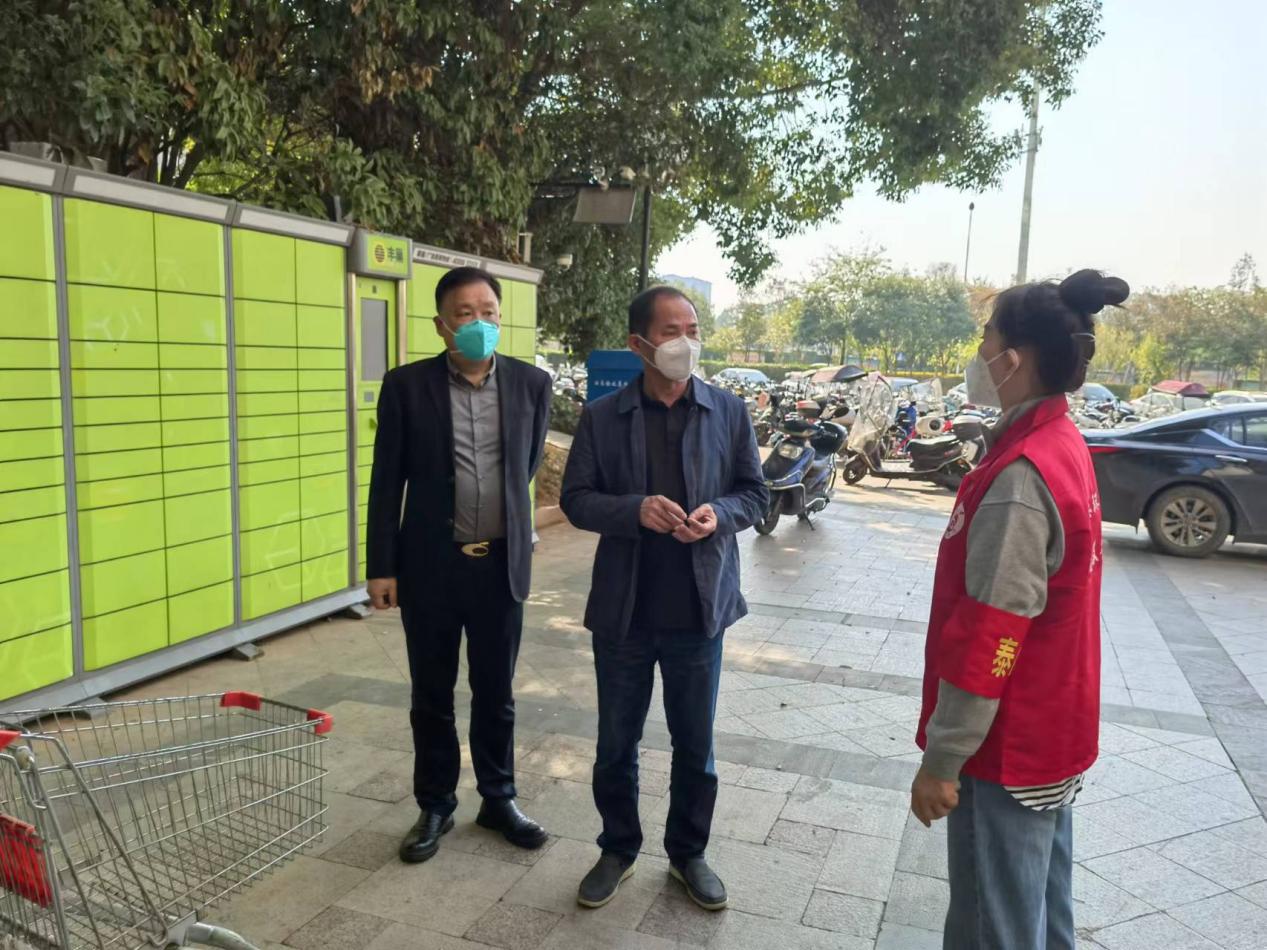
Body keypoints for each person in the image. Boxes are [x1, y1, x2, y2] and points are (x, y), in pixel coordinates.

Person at [911, 270, 1130, 949]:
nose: (978, 352)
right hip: (1051, 729)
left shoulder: (1020, 476)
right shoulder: (1060, 443)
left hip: (1008, 744)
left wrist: (943, 758)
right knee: (1038, 908)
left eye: (987, 336)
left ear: (1014, 358)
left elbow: (992, 632)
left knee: (993, 927)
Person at [560, 286, 767, 911]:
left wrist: (719, 515)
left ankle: (688, 854)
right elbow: (576, 499)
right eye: (672, 331)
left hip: (699, 612)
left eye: (693, 330)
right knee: (615, 744)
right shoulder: (604, 417)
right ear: (639, 343)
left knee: (695, 747)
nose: (686, 343)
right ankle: (617, 848)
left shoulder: (728, 411)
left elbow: (754, 494)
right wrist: (634, 510)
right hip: (624, 613)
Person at [366, 266, 552, 864]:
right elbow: (386, 481)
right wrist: (382, 567)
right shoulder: (406, 386)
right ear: (441, 325)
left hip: (499, 567)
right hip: (430, 567)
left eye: (488, 312)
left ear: (501, 316)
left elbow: (524, 466)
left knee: (497, 692)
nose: (479, 322)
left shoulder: (532, 384)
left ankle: (498, 798)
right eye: (465, 314)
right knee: (432, 693)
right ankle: (436, 803)